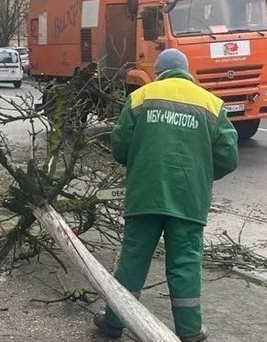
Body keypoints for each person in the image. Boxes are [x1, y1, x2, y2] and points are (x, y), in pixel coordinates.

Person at [94, 49, 238, 342]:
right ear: (187, 71)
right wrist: (201, 174)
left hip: (145, 194)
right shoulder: (211, 104)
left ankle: (114, 322)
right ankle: (190, 331)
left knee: (132, 260)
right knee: (185, 265)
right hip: (188, 198)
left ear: (158, 73)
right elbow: (228, 157)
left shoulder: (141, 97)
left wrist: (142, 162)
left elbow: (120, 146)